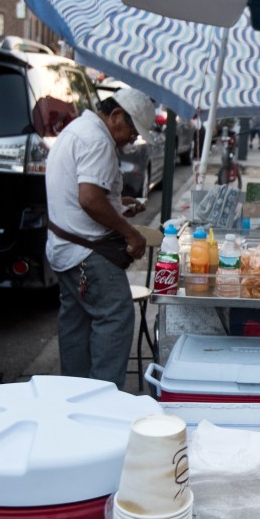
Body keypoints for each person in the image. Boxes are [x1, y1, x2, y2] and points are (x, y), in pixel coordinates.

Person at [45, 86, 152, 389]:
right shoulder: (97, 139)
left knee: (76, 322)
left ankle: (73, 394)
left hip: (65, 248)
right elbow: (89, 199)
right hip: (86, 253)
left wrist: (119, 205)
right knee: (116, 316)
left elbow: (87, 195)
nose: (132, 140)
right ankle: (104, 399)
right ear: (117, 115)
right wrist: (131, 234)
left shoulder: (79, 129)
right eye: (132, 132)